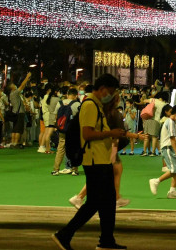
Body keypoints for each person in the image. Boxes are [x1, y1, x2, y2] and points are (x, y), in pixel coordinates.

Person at [52, 74, 127, 250]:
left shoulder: (96, 105)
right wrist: (111, 133)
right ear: (102, 89)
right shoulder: (90, 105)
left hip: (102, 159)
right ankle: (64, 234)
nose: (112, 95)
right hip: (94, 161)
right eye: (111, 92)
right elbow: (87, 134)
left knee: (107, 202)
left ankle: (107, 241)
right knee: (95, 202)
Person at [150, 104, 176, 199]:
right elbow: (172, 138)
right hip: (168, 148)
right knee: (174, 169)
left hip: (171, 148)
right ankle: (156, 181)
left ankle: (172, 191)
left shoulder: (172, 122)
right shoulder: (170, 122)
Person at [53, 88, 80, 175]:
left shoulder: (60, 103)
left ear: (68, 94)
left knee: (60, 149)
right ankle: (74, 169)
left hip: (62, 129)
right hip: (73, 130)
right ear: (76, 96)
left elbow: (56, 115)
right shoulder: (77, 104)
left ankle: (56, 169)